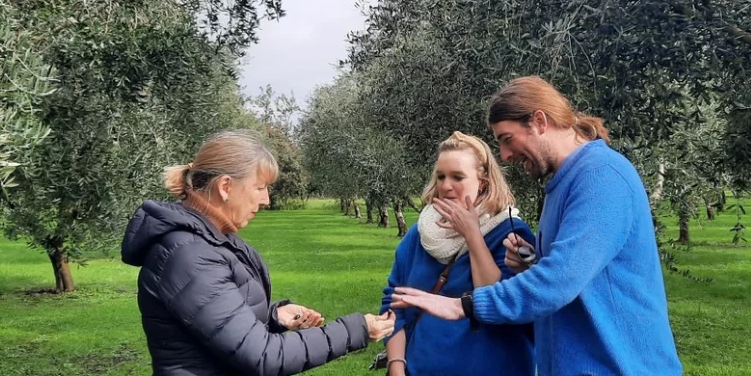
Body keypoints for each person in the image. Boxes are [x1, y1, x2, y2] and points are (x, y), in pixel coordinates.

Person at [391, 77, 683, 376]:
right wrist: (529, 265)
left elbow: (559, 280)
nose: (504, 155)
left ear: (539, 121)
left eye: (507, 139)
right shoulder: (562, 184)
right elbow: (576, 277)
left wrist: (461, 306)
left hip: (619, 366)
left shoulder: (601, 176)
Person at [121, 130, 395, 376]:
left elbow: (219, 326)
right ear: (225, 186)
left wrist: (274, 317)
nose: (266, 200)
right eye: (260, 188)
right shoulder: (188, 254)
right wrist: (356, 329)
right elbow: (264, 356)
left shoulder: (210, 240)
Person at [379, 131, 535, 376]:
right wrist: (396, 366)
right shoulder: (420, 234)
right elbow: (394, 301)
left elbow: (499, 303)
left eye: (457, 177)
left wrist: (472, 234)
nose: (445, 186)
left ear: (482, 182)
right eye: (440, 176)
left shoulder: (510, 233)